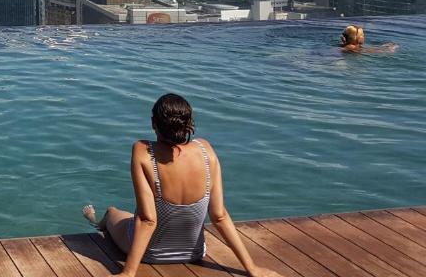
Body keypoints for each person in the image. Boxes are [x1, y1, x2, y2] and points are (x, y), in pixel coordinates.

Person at [83, 94, 281, 277]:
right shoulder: (206, 151)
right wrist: (252, 268)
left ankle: (97, 220)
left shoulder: (143, 151)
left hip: (151, 254)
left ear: (154, 124)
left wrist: (129, 273)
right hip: (195, 253)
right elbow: (219, 216)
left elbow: (148, 220)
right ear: (188, 125)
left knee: (113, 214)